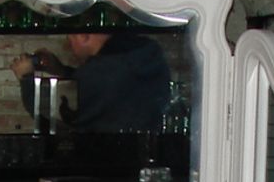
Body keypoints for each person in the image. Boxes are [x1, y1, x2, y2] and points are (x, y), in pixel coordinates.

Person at [10, 31, 170, 133]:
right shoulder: (145, 53)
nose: (70, 44)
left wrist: (26, 78)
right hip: (144, 154)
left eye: (70, 38)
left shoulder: (99, 69)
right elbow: (104, 88)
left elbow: (53, 118)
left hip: (107, 162)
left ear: (84, 36)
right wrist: (61, 70)